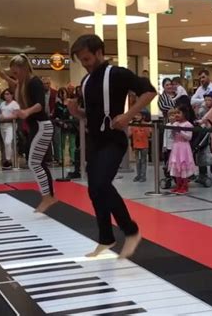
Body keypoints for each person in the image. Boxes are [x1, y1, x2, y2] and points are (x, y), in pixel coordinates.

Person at [67, 34, 156, 259]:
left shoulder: (117, 74)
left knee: (101, 184)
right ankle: (106, 238)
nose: (85, 65)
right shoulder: (86, 82)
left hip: (114, 140)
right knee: (95, 190)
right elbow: (93, 114)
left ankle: (131, 231)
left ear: (99, 53)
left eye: (87, 59)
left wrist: (127, 116)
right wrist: (76, 112)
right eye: (81, 61)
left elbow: (149, 91)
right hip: (95, 141)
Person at [10, 54, 55, 213]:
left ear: (23, 69)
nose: (15, 77)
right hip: (38, 126)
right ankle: (48, 195)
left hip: (41, 126)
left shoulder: (34, 82)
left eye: (16, 73)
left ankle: (47, 197)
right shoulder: (25, 83)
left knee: (34, 162)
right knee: (38, 162)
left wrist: (26, 112)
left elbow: (39, 105)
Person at [168, 105, 196, 194]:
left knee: (183, 165)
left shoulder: (188, 124)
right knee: (176, 166)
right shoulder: (175, 124)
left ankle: (185, 185)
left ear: (184, 114)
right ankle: (178, 185)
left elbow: (189, 137)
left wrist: (180, 131)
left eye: (178, 113)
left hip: (184, 148)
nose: (176, 115)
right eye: (175, 113)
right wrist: (173, 130)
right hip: (176, 147)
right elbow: (172, 136)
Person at [54, 87, 77, 166]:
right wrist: (60, 122)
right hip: (62, 126)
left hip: (71, 125)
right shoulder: (57, 104)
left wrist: (70, 122)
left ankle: (73, 159)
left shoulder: (72, 103)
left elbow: (75, 114)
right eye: (60, 93)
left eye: (64, 92)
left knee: (72, 144)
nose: (62, 94)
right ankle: (61, 159)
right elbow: (55, 115)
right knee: (62, 144)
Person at [0, 89, 20, 170]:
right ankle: (8, 160)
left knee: (8, 142)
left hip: (11, 125)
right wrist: (0, 117)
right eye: (5, 94)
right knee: (5, 143)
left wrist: (6, 117)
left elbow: (16, 115)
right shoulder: (2, 103)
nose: (6, 95)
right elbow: (0, 112)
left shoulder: (15, 104)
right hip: (2, 125)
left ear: (11, 95)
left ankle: (8, 160)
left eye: (8, 94)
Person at [130, 111, 151, 182]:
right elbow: (130, 134)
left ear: (143, 116)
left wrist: (145, 128)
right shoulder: (133, 125)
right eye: (136, 115)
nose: (137, 117)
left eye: (138, 115)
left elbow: (148, 134)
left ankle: (143, 176)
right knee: (137, 161)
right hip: (136, 145)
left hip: (144, 146)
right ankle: (138, 175)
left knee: (143, 161)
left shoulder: (146, 125)